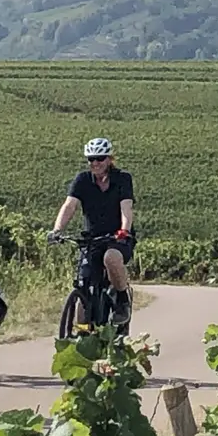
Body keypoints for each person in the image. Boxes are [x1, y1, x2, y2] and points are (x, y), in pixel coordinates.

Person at [50, 136, 135, 325]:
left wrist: (124, 230)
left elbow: (126, 208)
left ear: (109, 159)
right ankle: (81, 332)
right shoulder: (82, 180)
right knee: (84, 283)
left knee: (111, 258)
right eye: (91, 159)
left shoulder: (122, 179)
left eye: (100, 158)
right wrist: (56, 230)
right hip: (93, 238)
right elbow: (69, 206)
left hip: (117, 237)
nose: (95, 163)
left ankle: (122, 301)